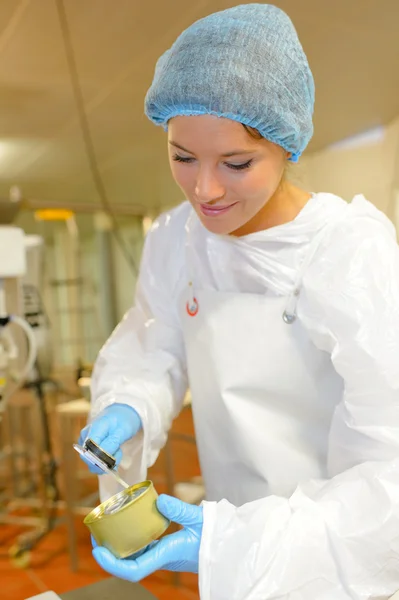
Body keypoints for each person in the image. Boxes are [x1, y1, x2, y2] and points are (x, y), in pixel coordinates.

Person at [79, 4, 399, 599]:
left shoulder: (350, 252)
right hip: (230, 534)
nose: (205, 190)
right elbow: (155, 345)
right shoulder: (176, 238)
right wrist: (131, 404)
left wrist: (253, 548)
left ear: (288, 146)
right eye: (182, 157)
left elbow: (391, 480)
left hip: (339, 564)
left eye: (236, 163)